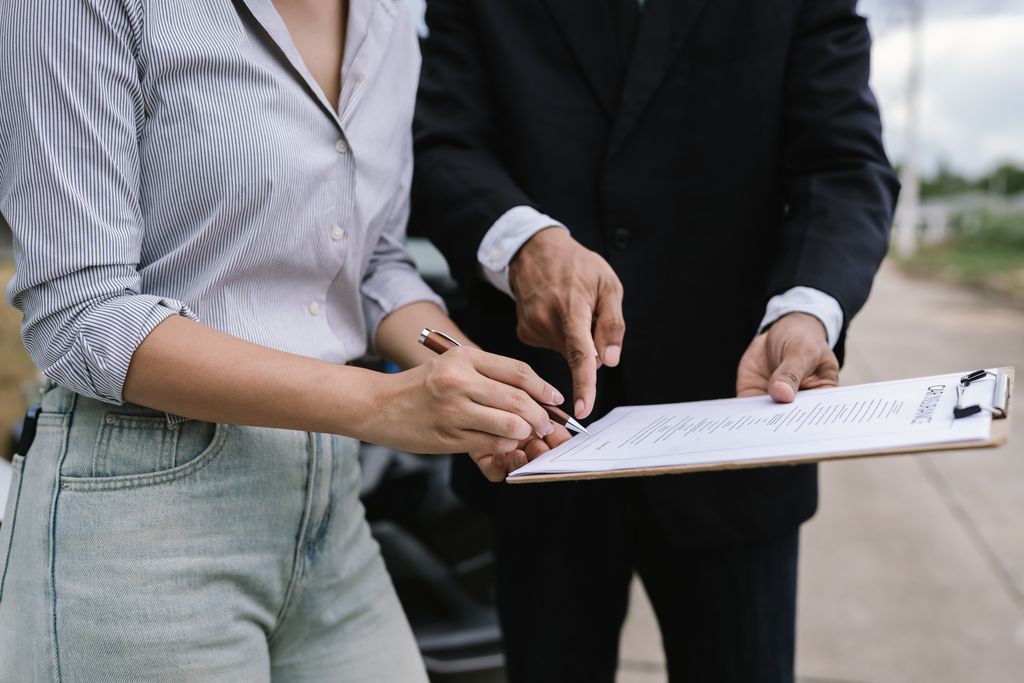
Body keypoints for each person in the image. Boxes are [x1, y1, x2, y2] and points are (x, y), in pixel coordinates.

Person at [0, 0, 569, 680]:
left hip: (329, 502)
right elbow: (81, 312)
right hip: (140, 515)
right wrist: (386, 403)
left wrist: (467, 374)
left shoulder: (385, 15)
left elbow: (374, 263)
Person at [412, 0, 899, 681]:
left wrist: (807, 309)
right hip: (541, 438)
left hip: (735, 431)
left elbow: (842, 164)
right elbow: (442, 143)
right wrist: (523, 243)